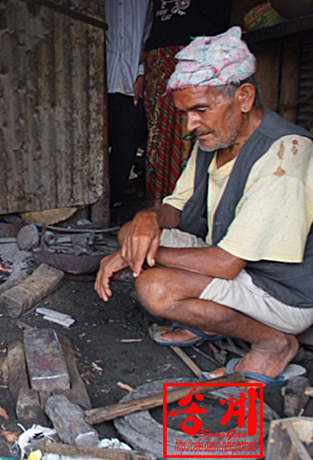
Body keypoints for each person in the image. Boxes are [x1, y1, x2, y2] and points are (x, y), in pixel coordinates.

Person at [96, 27, 313, 386]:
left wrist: (141, 254)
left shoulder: (284, 155)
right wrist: (148, 220)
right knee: (131, 232)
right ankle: (208, 323)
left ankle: (272, 342)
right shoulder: (217, 138)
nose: (190, 125)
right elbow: (177, 208)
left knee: (156, 288)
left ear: (243, 97)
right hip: (235, 263)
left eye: (200, 110)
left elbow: (226, 265)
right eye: (184, 113)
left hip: (282, 292)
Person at [140, 0, 234, 205]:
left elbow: (220, 16)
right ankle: (166, 204)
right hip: (164, 54)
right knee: (165, 134)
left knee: (191, 132)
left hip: (194, 51)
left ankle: (185, 205)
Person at [105, 0, 150, 209]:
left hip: (131, 79)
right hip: (102, 77)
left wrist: (142, 72)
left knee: (126, 147)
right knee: (99, 144)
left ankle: (110, 203)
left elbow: (149, 33)